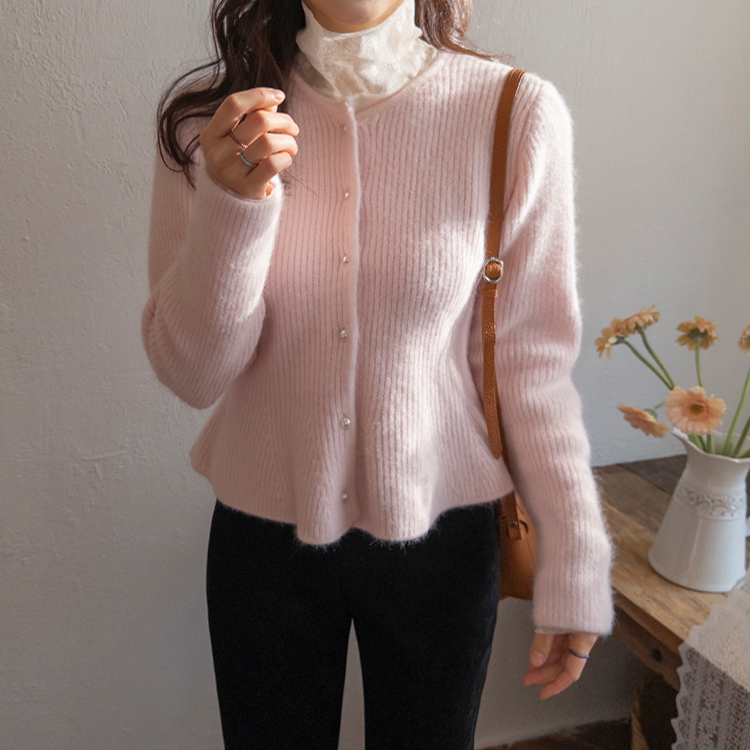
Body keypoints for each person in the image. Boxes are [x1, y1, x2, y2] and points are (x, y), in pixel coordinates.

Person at [142, 0, 616, 747]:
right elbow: (192, 373)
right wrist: (234, 204)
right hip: (262, 542)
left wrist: (576, 559)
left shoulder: (511, 112)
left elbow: (530, 364)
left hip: (445, 539)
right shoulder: (213, 126)